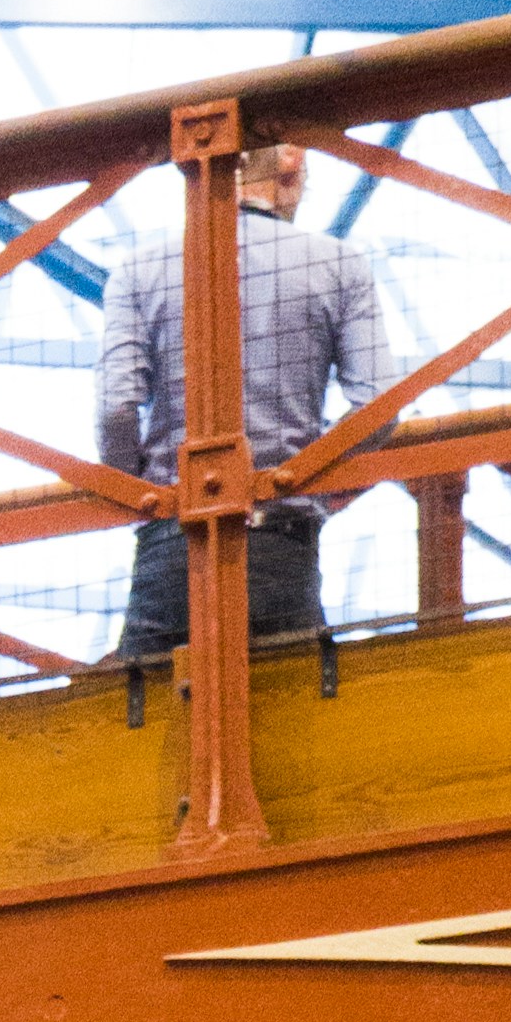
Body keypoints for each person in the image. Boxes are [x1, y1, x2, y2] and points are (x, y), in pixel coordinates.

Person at [96, 128, 388, 666]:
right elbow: (379, 404)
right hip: (283, 538)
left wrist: (143, 498)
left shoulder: (138, 270)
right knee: (297, 708)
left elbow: (117, 404)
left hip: (171, 539)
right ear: (290, 164)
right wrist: (319, 485)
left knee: (135, 711)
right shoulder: (338, 263)